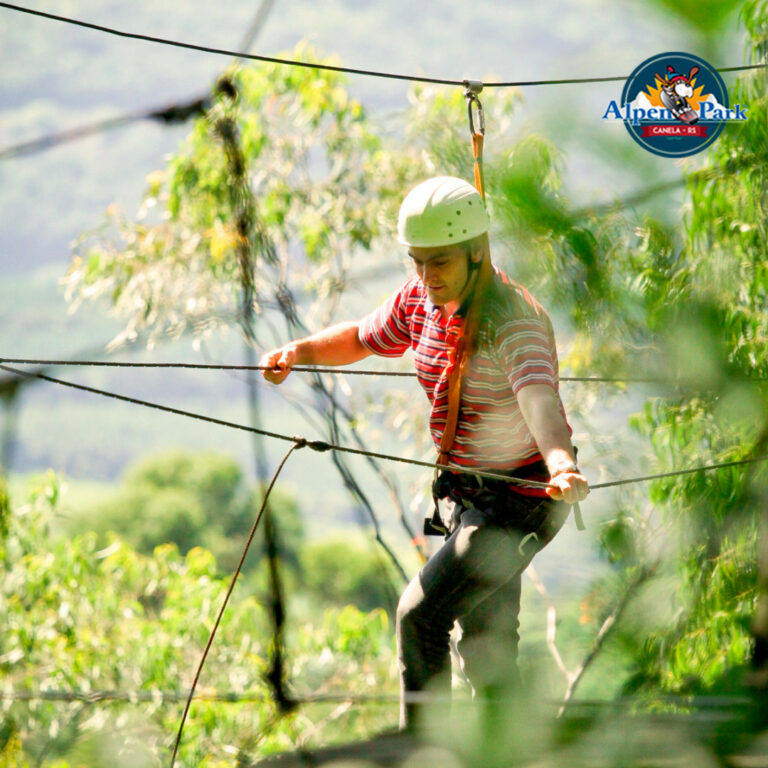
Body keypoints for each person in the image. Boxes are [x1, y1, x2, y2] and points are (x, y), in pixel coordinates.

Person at [259, 176, 589, 729]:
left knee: (420, 617)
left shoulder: (513, 323)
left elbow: (540, 401)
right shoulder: (422, 301)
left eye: (439, 263)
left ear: (476, 252)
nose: (426, 276)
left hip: (522, 499)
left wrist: (562, 464)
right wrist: (299, 352)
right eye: (417, 262)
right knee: (487, 651)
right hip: (474, 497)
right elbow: (364, 337)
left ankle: (423, 751)